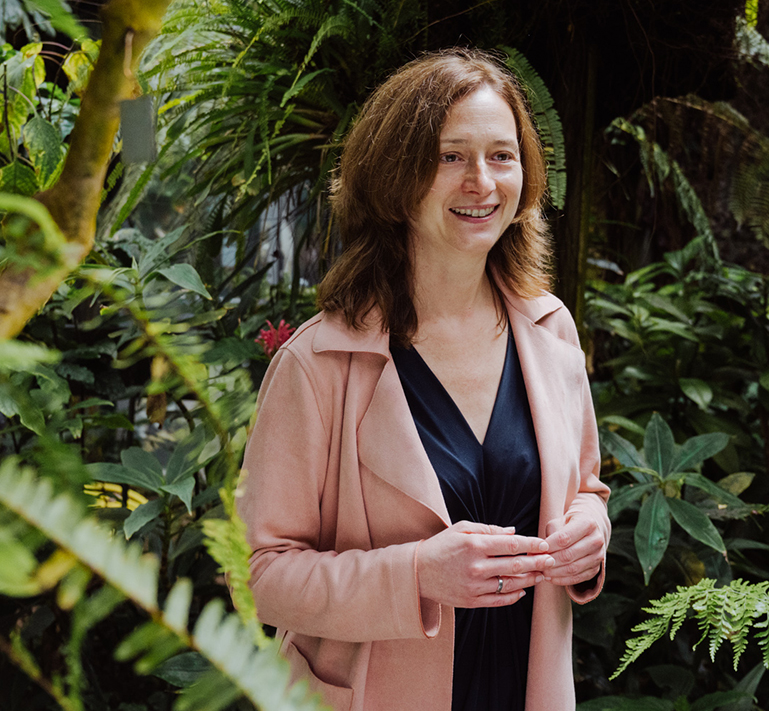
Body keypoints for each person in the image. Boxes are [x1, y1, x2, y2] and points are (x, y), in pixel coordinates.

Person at [237, 48, 610, 711]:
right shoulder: (317, 365)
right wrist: (416, 575)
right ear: (396, 175)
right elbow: (261, 574)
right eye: (450, 157)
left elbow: (583, 487)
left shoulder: (550, 333)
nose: (482, 183)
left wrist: (590, 529)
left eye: (502, 155)